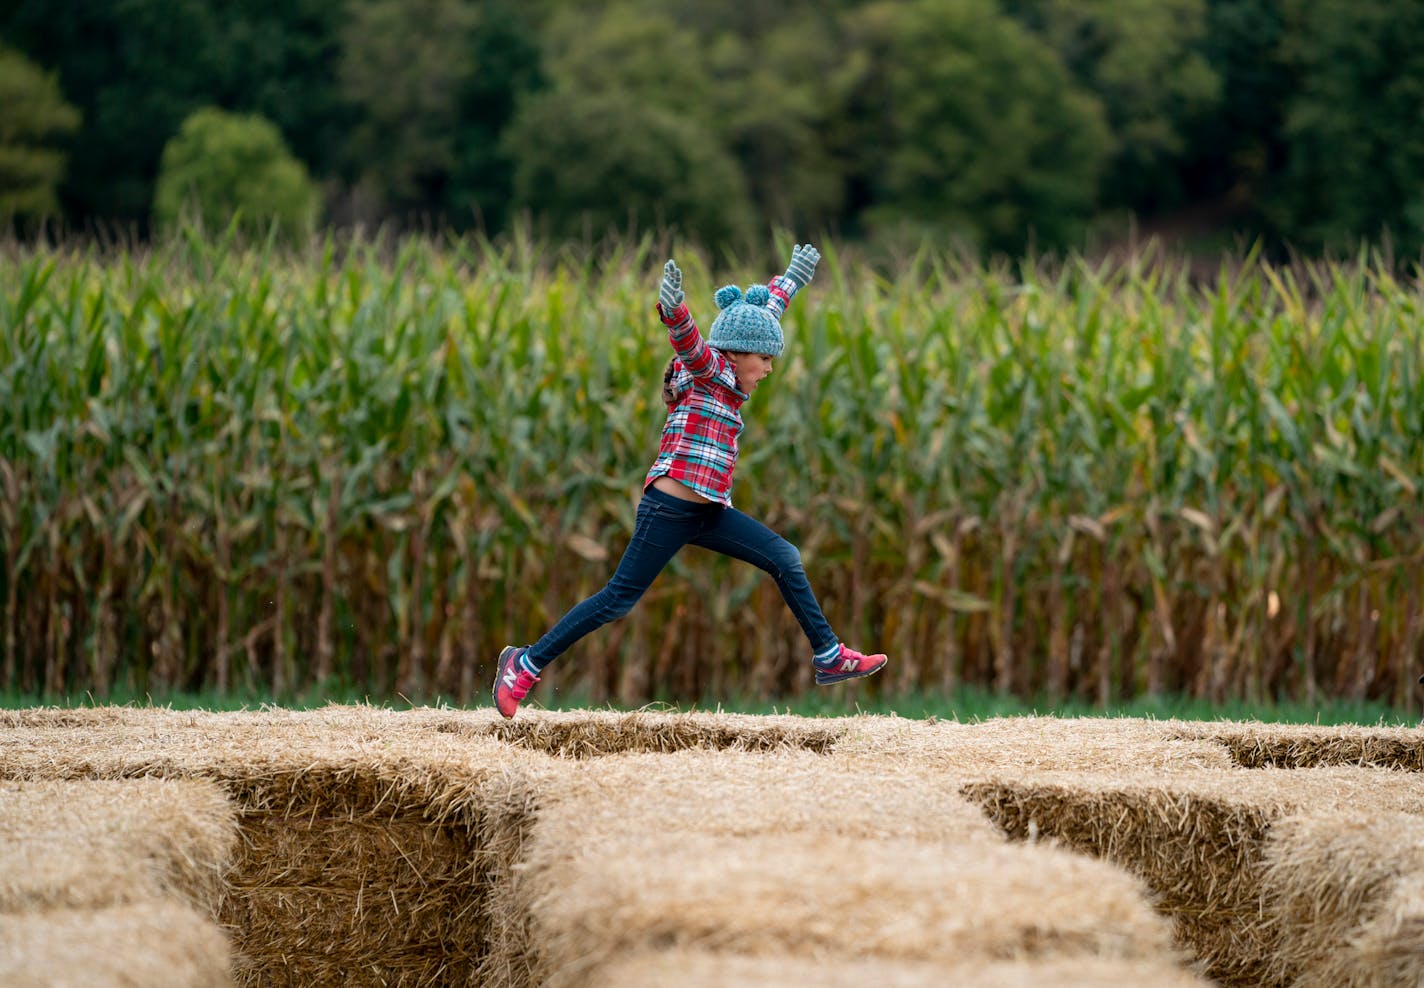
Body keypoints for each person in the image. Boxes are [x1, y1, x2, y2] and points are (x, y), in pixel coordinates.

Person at [492, 244, 887, 718]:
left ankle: (829, 657)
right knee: (618, 600)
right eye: (765, 360)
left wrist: (793, 279)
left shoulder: (738, 366)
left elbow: (762, 314)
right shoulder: (709, 371)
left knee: (784, 557)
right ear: (740, 357)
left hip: (709, 511)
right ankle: (525, 663)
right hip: (668, 510)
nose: (769, 370)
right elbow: (689, 341)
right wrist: (675, 308)